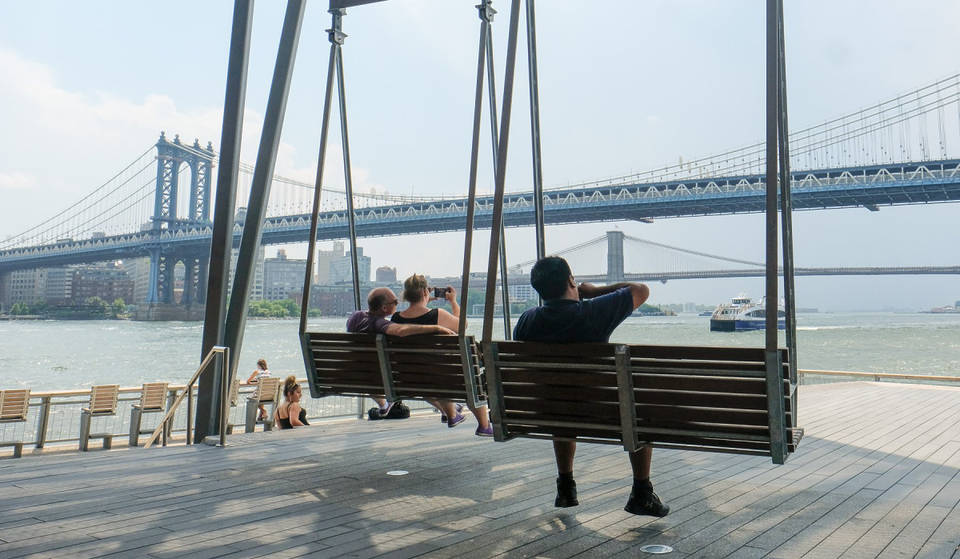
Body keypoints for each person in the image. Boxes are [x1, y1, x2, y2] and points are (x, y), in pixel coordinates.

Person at [512, 256, 669, 517]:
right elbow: (641, 290)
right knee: (639, 411)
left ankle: (566, 487)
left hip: (548, 411)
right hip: (600, 412)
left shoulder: (527, 320)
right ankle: (642, 492)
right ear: (571, 281)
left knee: (560, 402)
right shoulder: (593, 312)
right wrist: (596, 291)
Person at [392, 274, 494, 437]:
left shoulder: (396, 318)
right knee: (472, 379)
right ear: (426, 292)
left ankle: (452, 413)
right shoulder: (437, 314)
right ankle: (484, 425)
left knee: (435, 377)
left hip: (410, 378)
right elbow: (463, 326)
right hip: (443, 376)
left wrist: (424, 301)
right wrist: (453, 301)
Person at [347, 287, 455, 417]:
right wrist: (436, 328)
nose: (397, 305)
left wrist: (425, 300)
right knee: (418, 375)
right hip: (384, 376)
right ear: (384, 308)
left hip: (358, 373)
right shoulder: (379, 323)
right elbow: (400, 330)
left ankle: (384, 405)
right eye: (395, 302)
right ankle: (449, 411)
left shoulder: (355, 316)